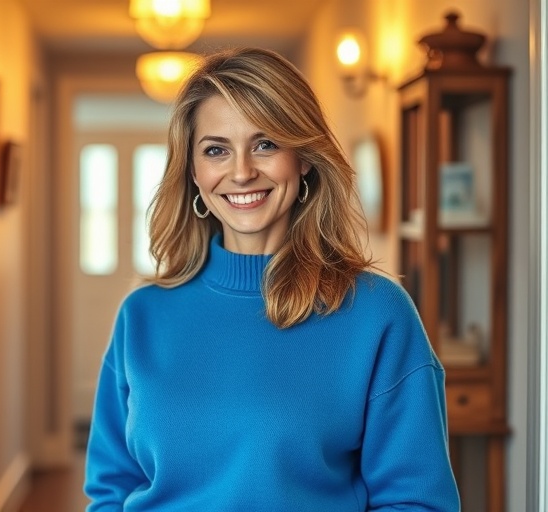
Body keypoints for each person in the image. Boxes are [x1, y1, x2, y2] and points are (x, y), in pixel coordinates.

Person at [84, 47, 460, 511]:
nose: (241, 172)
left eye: (266, 144)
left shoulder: (376, 313)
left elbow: (417, 501)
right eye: (216, 150)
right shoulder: (142, 315)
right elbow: (110, 489)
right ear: (194, 172)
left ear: (303, 158)